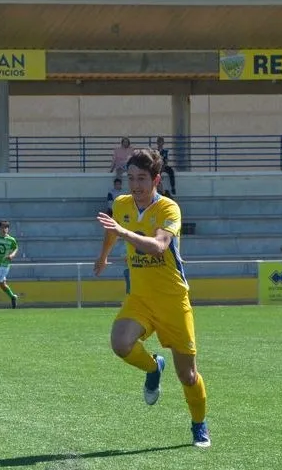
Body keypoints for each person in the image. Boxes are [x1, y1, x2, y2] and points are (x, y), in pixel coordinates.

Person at [93, 148, 211, 448]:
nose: (135, 185)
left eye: (142, 178)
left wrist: (123, 232)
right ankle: (153, 367)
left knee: (188, 375)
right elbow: (112, 230)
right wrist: (104, 255)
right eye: (131, 178)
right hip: (140, 298)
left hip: (173, 300)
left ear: (156, 179)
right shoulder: (122, 204)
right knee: (120, 344)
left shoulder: (169, 209)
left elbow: (158, 246)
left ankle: (199, 424)